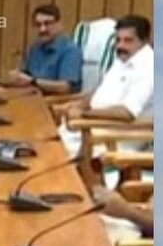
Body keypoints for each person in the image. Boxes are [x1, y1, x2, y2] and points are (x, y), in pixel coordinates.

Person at [59, 14, 154, 156]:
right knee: (44, 144)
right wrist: (79, 105)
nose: (120, 46)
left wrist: (85, 115)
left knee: (51, 156)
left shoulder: (149, 68)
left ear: (145, 41)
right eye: (118, 40)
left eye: (128, 40)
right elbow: (101, 90)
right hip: (91, 128)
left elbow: (127, 113)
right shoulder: (123, 59)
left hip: (115, 138)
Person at [7, 3, 81, 94]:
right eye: (38, 25)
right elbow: (25, 75)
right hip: (31, 96)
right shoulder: (35, 47)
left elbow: (65, 87)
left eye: (47, 24)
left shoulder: (70, 50)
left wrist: (33, 81)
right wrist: (17, 76)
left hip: (56, 102)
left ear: (59, 24)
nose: (42, 29)